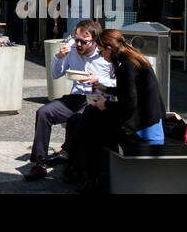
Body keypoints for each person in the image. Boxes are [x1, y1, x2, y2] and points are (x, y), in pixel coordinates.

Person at [69, 29, 167, 190]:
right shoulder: (134, 59)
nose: (102, 57)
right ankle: (77, 165)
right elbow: (130, 92)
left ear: (109, 48)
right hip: (149, 119)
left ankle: (91, 177)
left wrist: (105, 105)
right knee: (85, 118)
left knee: (90, 121)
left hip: (141, 126)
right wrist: (105, 89)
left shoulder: (126, 66)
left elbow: (128, 104)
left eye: (101, 52)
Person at [23, 19, 114, 181]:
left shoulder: (105, 56)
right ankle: (40, 163)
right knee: (44, 112)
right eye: (76, 39)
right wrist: (58, 57)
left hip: (95, 98)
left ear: (94, 41)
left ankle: (72, 165)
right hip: (75, 96)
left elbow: (119, 83)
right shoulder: (72, 48)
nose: (78, 44)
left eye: (83, 42)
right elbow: (55, 74)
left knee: (76, 119)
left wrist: (98, 79)